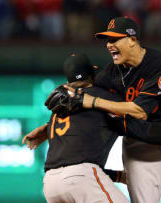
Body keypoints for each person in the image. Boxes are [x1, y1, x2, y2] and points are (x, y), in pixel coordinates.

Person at [37, 17, 161, 203]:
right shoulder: (109, 73)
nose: (109, 45)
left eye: (114, 39)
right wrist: (47, 127)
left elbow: (139, 111)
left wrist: (94, 101)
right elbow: (78, 88)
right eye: (108, 40)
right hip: (140, 146)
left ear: (132, 39)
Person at [24, 54, 129, 203]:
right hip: (80, 177)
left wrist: (119, 176)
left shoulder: (58, 108)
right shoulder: (100, 97)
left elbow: (71, 165)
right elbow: (78, 169)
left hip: (50, 184)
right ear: (92, 75)